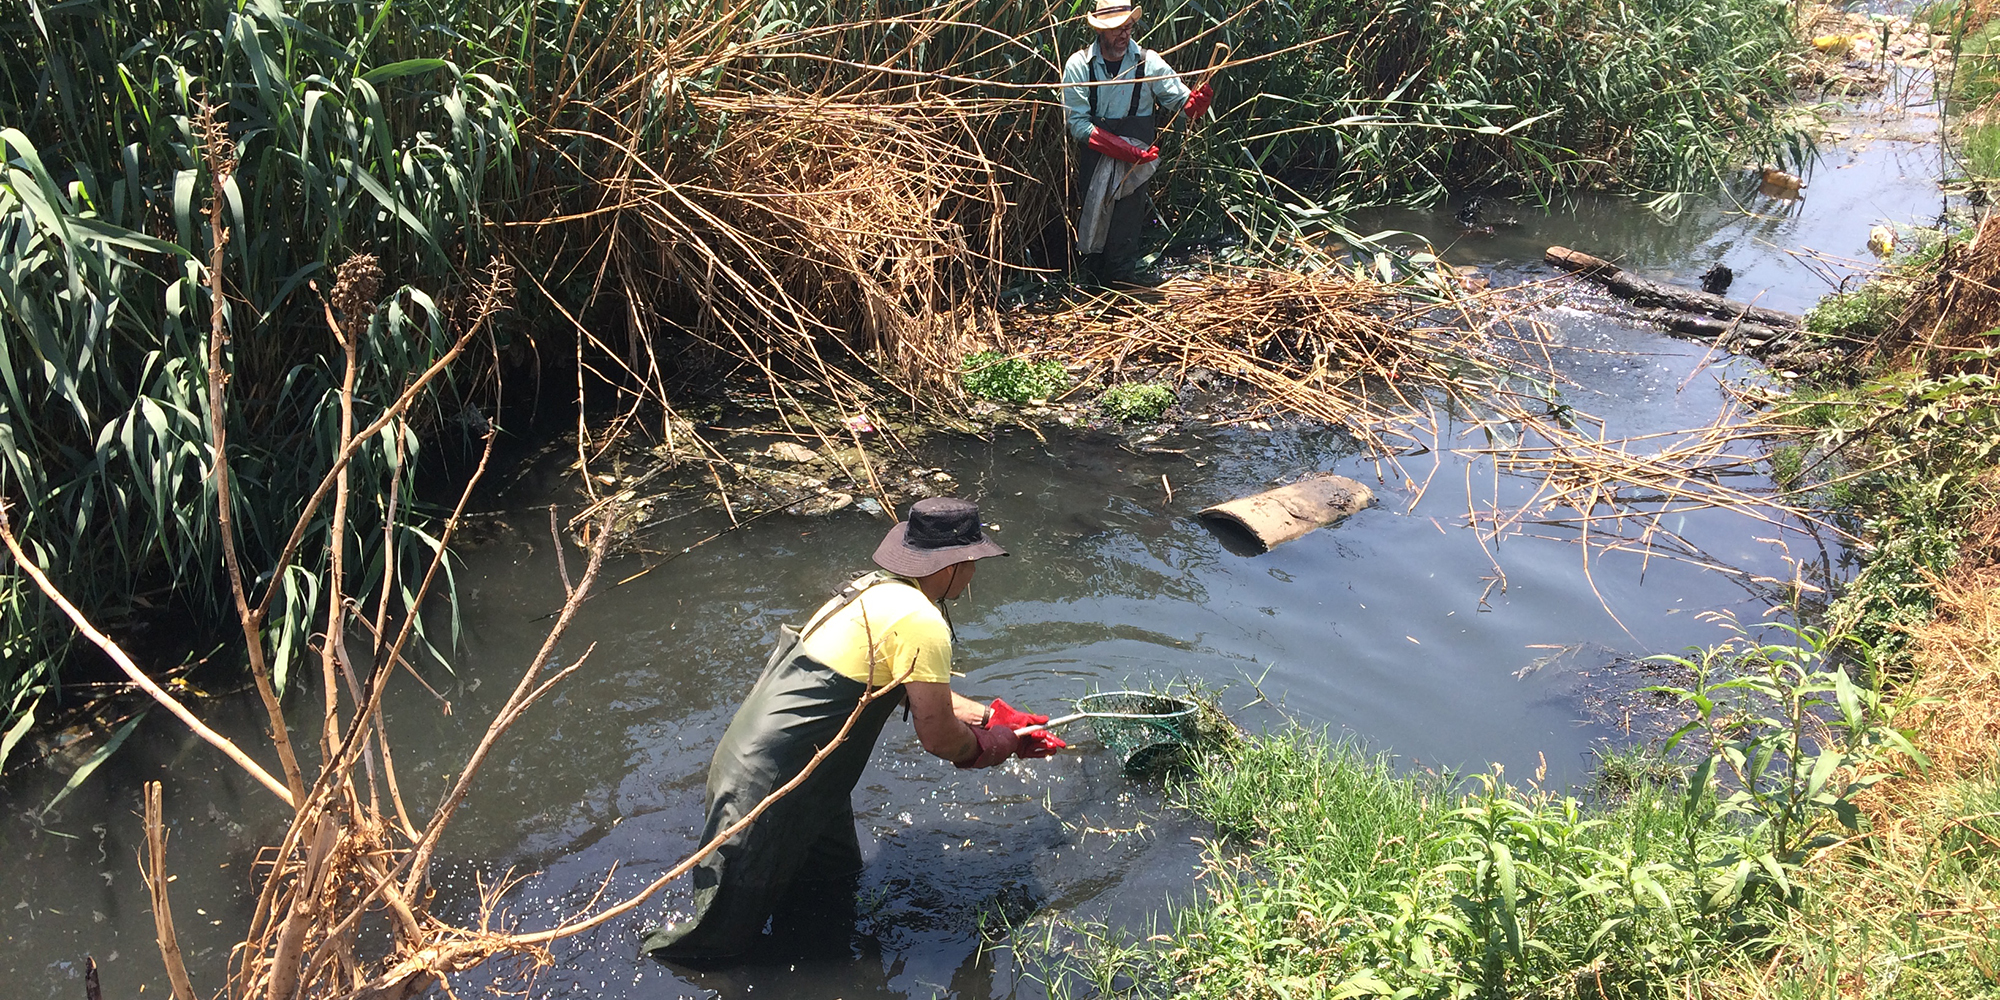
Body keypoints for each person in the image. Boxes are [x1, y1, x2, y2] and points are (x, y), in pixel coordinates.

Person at [642, 497, 1066, 963]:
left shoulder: (875, 591)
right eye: (972, 561)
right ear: (951, 565)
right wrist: (994, 746)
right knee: (711, 944)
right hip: (768, 788)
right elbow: (939, 737)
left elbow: (910, 691)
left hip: (810, 775)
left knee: (831, 886)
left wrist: (994, 718)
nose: (973, 573)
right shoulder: (921, 621)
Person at [1061, 0, 1213, 286]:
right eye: (1117, 29)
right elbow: (1078, 125)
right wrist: (1121, 149)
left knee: (1127, 221)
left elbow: (1182, 102)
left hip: (1138, 163)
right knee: (1094, 216)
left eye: (1128, 27)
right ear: (1101, 31)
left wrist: (1196, 104)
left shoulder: (1148, 61)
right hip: (1097, 157)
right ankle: (1092, 284)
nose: (1124, 35)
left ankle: (1123, 287)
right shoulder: (1079, 65)